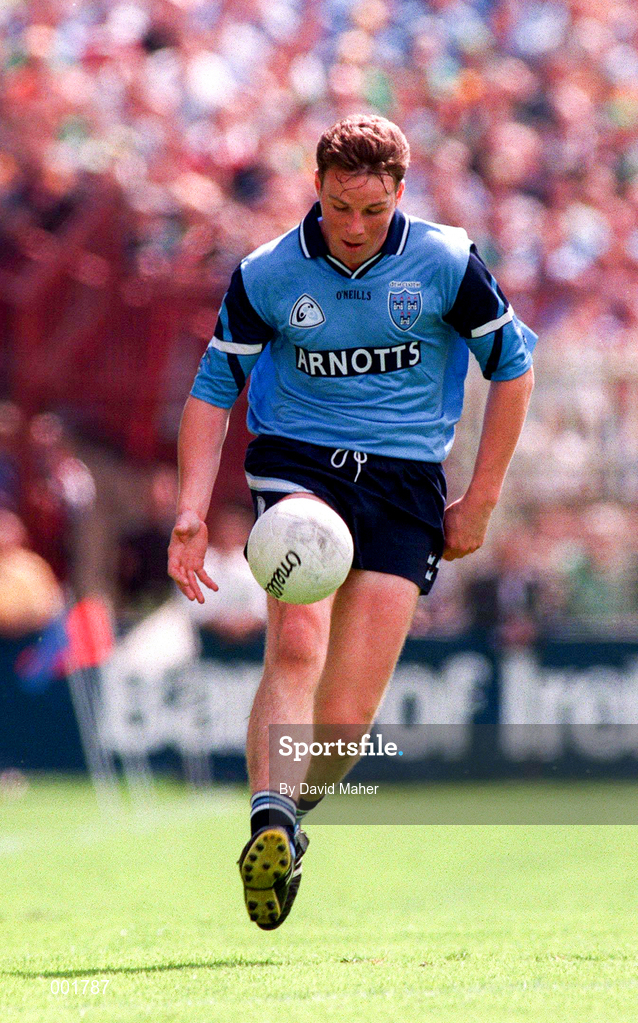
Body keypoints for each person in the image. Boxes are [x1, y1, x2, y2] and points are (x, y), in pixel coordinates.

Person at [168, 114, 536, 930]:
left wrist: (479, 498)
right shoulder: (268, 272)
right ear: (318, 191)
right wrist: (191, 511)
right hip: (299, 464)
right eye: (340, 208)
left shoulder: (444, 259)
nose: (356, 227)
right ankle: (267, 817)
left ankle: (291, 829)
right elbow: (212, 390)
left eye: (372, 209)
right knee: (297, 641)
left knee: (345, 724)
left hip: (406, 484)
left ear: (399, 193)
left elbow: (513, 369)